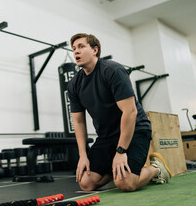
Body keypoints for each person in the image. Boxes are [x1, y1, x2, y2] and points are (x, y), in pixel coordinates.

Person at [67, 33, 172, 192]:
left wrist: (121, 151)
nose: (76, 51)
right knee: (86, 182)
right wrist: (83, 155)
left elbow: (130, 112)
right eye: (74, 48)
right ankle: (117, 169)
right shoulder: (74, 85)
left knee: (125, 183)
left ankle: (156, 168)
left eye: (81, 47)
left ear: (95, 50)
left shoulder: (112, 71)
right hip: (107, 137)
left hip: (136, 130)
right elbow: (78, 121)